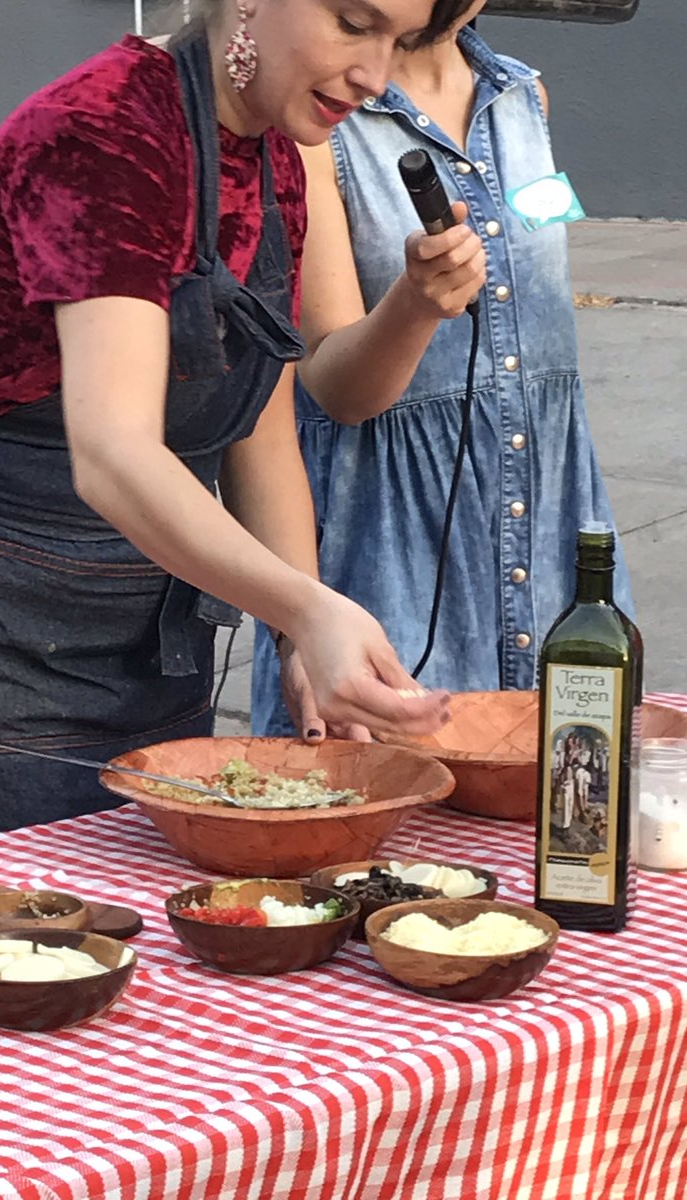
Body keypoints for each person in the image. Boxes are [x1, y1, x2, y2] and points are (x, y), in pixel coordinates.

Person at [0, 0, 478, 856]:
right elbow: (114, 451)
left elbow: (260, 428)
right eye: (353, 23)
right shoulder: (102, 132)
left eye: (398, 41)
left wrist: (294, 638)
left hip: (147, 634)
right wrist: (309, 609)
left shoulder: (273, 158)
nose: (376, 74)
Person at [252, 1, 633, 735]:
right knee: (387, 820)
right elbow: (333, 389)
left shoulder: (525, 97)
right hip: (393, 557)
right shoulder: (325, 122)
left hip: (550, 535)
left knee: (565, 810)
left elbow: (538, 341)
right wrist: (415, 305)